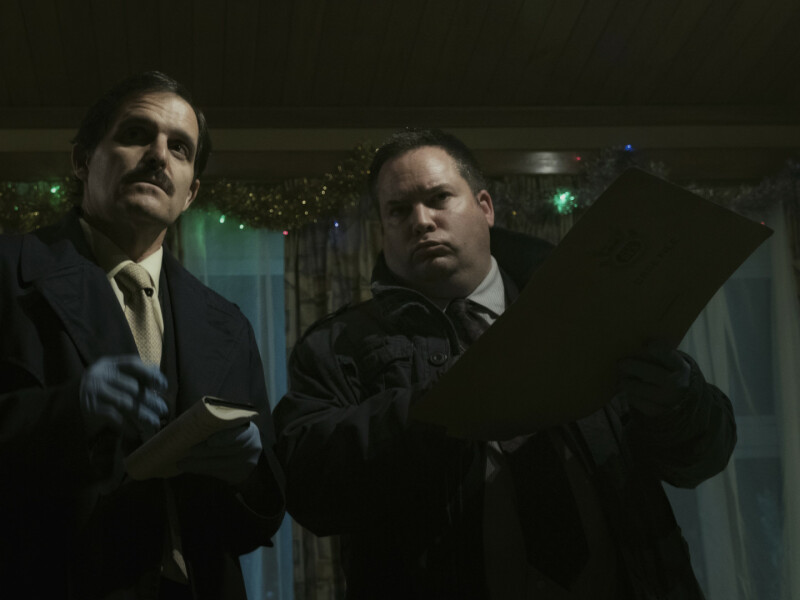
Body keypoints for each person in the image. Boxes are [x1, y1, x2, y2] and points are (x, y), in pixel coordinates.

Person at [273, 129, 736, 599]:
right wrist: (437, 408)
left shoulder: (590, 305)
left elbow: (702, 461)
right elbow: (309, 491)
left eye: (439, 198)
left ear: (485, 207)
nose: (421, 221)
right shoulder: (338, 344)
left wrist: (679, 401)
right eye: (398, 210)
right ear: (383, 230)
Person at [0, 71, 285, 599]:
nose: (158, 156)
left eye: (180, 148)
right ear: (82, 161)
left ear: (190, 193)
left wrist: (248, 473)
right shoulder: (8, 273)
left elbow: (256, 522)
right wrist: (68, 411)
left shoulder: (229, 324)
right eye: (136, 134)